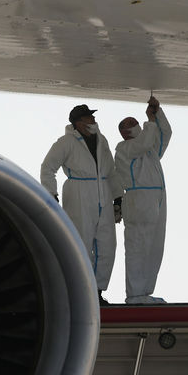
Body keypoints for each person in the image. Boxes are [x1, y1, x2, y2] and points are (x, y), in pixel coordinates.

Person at [41, 104, 123, 305]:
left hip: (102, 192)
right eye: (88, 117)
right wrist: (51, 194)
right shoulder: (66, 142)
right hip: (78, 193)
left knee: (107, 245)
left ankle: (96, 291)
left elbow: (111, 171)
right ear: (78, 122)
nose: (93, 120)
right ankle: (81, 291)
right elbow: (48, 167)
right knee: (82, 242)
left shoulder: (101, 141)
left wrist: (118, 198)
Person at [115, 96, 172, 304]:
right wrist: (149, 119)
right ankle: (135, 294)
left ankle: (144, 293)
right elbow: (147, 139)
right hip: (139, 202)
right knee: (137, 248)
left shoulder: (150, 151)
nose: (133, 125)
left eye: (134, 121)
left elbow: (165, 133)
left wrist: (157, 114)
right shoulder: (124, 149)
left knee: (154, 248)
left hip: (155, 201)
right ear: (122, 133)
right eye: (128, 124)